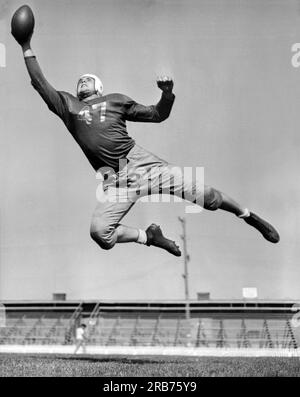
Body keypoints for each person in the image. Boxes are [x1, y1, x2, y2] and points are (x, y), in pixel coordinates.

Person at [12, 26, 280, 258]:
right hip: (117, 181)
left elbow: (157, 115)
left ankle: (247, 215)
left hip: (145, 165)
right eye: (79, 80)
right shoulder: (67, 106)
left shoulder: (116, 100)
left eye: (88, 80)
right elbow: (39, 82)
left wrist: (167, 94)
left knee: (206, 196)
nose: (82, 81)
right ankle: (150, 237)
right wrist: (26, 45)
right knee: (100, 234)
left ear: (99, 87)